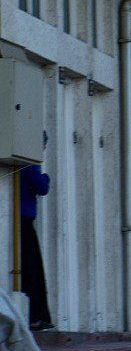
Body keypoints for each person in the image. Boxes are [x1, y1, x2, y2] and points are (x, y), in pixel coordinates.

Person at [20, 131, 52, 331]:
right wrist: (46, 177)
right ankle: (36, 317)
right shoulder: (31, 161)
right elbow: (42, 187)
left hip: (17, 218)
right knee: (33, 271)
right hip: (25, 219)